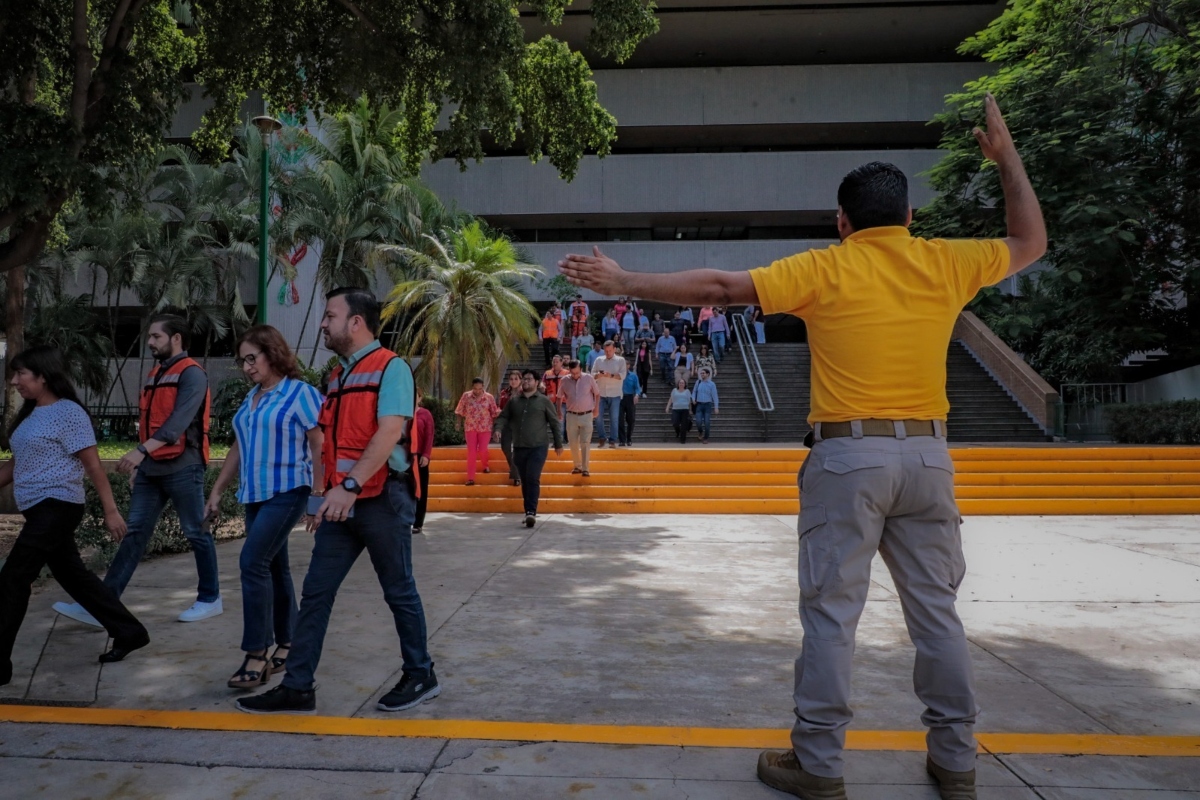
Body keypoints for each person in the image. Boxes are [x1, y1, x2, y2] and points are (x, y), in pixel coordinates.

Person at [559, 94, 1046, 800]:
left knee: (832, 618)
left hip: (847, 460)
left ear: (842, 222)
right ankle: (957, 762)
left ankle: (819, 766)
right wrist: (1007, 161)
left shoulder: (826, 267)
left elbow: (725, 288)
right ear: (911, 219)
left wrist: (627, 282)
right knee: (938, 617)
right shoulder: (945, 263)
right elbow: (1031, 243)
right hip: (929, 459)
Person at [238, 287, 439, 715]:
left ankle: (421, 673)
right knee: (315, 593)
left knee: (398, 591)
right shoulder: (337, 375)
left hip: (381, 498)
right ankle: (298, 686)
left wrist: (346, 488)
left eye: (330, 315)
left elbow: (388, 434)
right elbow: (329, 444)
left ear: (356, 322)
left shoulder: (392, 368)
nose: (322, 323)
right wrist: (322, 498)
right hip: (340, 504)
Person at [54, 313, 220, 628]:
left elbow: (176, 425)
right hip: (152, 470)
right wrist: (142, 462)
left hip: (184, 467)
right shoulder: (156, 373)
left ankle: (210, 598)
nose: (150, 342)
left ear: (176, 339)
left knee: (197, 532)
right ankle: (102, 605)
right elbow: (150, 421)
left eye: (156, 336)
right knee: (133, 536)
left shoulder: (193, 374)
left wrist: (140, 453)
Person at [0, 346, 148, 685]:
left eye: (21, 373)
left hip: (58, 506)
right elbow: (16, 464)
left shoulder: (68, 413)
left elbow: (93, 464)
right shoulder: (30, 415)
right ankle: (130, 632)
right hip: (39, 509)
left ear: (43, 375)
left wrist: (111, 512)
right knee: (74, 577)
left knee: (12, 579)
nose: (14, 381)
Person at [206, 325, 323, 689]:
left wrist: (318, 496)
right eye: (242, 361)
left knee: (251, 562)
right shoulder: (252, 398)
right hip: (255, 494)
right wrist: (218, 490)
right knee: (274, 568)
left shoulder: (300, 393)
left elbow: (319, 444)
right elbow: (239, 447)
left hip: (289, 490)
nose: (247, 367)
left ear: (272, 354)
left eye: (252, 359)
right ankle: (289, 643)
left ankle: (257, 653)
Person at [496, 370, 564, 528]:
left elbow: (554, 422)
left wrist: (558, 443)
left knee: (533, 478)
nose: (526, 382)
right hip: (519, 447)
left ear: (536, 382)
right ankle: (528, 511)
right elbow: (503, 417)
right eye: (524, 379)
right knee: (525, 480)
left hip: (538, 446)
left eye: (529, 379)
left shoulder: (543, 401)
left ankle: (531, 512)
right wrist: (498, 429)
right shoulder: (514, 401)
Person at [557, 359, 600, 476]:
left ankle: (585, 468)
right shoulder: (564, 380)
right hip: (571, 415)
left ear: (581, 369)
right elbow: (559, 397)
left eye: (577, 372)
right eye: (573, 373)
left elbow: (597, 393)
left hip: (586, 414)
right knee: (573, 443)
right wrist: (558, 411)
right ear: (569, 371)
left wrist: (596, 408)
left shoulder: (589, 378)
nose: (575, 375)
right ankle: (577, 466)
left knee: (585, 442)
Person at [455, 378, 499, 486]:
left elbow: (494, 413)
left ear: (483, 387)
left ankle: (485, 465)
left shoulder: (489, 397)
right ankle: (470, 478)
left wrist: (496, 429)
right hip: (470, 427)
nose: (477, 391)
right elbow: (459, 410)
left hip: (485, 428)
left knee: (483, 449)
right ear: (472, 387)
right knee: (471, 452)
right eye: (475, 388)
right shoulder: (466, 396)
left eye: (480, 388)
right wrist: (458, 423)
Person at [590, 340, 627, 449]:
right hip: (600, 393)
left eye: (610, 350)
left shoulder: (621, 360)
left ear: (614, 349)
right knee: (597, 416)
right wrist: (598, 375)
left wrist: (610, 375)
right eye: (606, 351)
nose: (608, 352)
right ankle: (602, 437)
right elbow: (592, 374)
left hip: (615, 393)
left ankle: (612, 440)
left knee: (614, 418)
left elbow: (623, 375)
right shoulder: (598, 359)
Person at [412, 387, 435, 533]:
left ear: (420, 398)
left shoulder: (425, 414)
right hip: (405, 456)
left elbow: (429, 435)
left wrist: (426, 455)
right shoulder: (401, 413)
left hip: (420, 456)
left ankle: (418, 522)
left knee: (421, 489)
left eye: (416, 396)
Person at [496, 370, 523, 487]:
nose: (513, 381)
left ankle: (516, 476)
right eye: (511, 379)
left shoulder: (525, 393)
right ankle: (514, 469)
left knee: (517, 450)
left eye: (516, 379)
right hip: (506, 424)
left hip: (520, 425)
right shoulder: (504, 392)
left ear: (520, 380)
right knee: (505, 447)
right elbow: (500, 407)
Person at [691, 369, 719, 444]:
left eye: (703, 373)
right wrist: (693, 399)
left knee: (707, 422)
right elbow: (694, 392)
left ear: (708, 374)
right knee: (698, 421)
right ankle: (700, 431)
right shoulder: (698, 382)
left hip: (707, 405)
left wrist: (716, 407)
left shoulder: (712, 384)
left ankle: (706, 438)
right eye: (701, 373)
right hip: (699, 404)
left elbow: (715, 396)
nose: (702, 374)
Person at [618, 360, 641, 447]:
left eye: (626, 364)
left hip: (630, 397)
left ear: (628, 366)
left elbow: (637, 388)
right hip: (619, 398)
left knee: (631, 419)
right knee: (620, 420)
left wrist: (637, 395)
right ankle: (622, 440)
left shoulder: (633, 376)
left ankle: (629, 438)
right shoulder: (618, 375)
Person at [666, 379, 692, 445]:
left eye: (682, 383)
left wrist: (690, 410)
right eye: (680, 383)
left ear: (685, 384)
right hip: (676, 409)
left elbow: (689, 401)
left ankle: (683, 440)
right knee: (675, 423)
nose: (681, 384)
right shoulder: (674, 390)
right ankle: (678, 431)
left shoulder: (687, 391)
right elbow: (671, 399)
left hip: (685, 409)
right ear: (678, 384)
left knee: (684, 425)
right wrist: (667, 407)